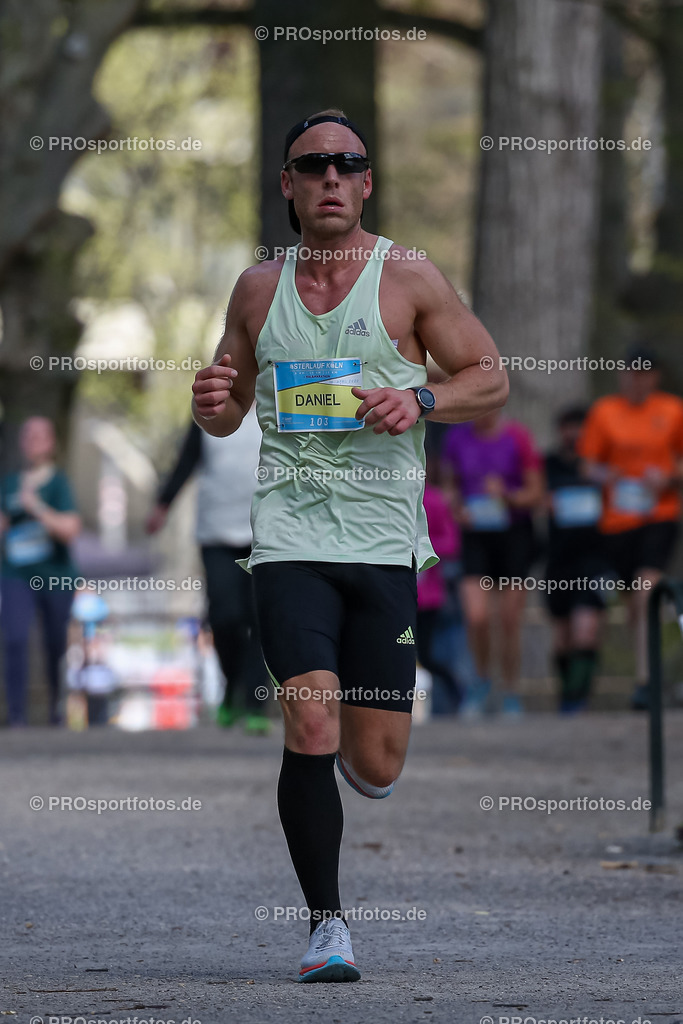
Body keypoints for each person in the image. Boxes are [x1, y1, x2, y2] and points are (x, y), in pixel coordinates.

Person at [191, 109, 508, 982]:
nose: (331, 177)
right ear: (287, 186)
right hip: (289, 537)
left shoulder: (407, 277)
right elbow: (226, 411)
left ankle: (364, 770)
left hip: (381, 545)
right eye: (312, 165)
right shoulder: (257, 288)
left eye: (347, 164)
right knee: (311, 717)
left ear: (366, 183)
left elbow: (489, 378)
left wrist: (423, 401)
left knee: (373, 761)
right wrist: (210, 401)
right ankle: (326, 926)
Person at [147, 406, 271, 735]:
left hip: (269, 532)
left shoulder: (278, 402)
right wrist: (163, 504)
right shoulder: (211, 409)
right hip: (216, 532)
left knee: (262, 620)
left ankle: (257, 703)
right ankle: (233, 685)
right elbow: (187, 460)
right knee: (226, 617)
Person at [578, 346, 683, 710]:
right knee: (635, 605)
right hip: (617, 522)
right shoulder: (605, 411)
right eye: (630, 372)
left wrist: (668, 477)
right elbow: (587, 466)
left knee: (646, 591)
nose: (635, 380)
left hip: (659, 516)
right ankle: (649, 674)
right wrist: (610, 474)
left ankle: (646, 682)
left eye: (643, 373)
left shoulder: (672, 411)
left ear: (655, 377)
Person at [441, 410, 543, 717]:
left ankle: (510, 691)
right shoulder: (456, 438)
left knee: (510, 620)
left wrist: (508, 496)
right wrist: (457, 508)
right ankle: (481, 681)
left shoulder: (518, 436)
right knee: (476, 616)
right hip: (475, 535)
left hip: (513, 535)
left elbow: (536, 494)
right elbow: (448, 487)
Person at [0, 417, 81, 726]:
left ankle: (56, 709)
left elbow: (70, 529)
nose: (33, 440)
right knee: (16, 636)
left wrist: (36, 507)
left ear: (51, 443)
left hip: (56, 575)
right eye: (27, 435)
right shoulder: (8, 483)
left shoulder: (59, 484)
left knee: (55, 641)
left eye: (40, 435)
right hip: (15, 573)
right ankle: (17, 715)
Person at [544, 407, 606, 713]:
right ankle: (567, 697)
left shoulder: (602, 465)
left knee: (586, 630)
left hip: (596, 558)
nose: (576, 434)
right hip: (558, 558)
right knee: (563, 637)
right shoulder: (548, 465)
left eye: (582, 428)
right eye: (570, 427)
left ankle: (578, 699)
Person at [416, 456, 463, 713]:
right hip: (389, 593)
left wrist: (420, 546)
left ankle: (455, 692)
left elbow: (452, 543)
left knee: (424, 654)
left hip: (427, 598)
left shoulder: (432, 500)